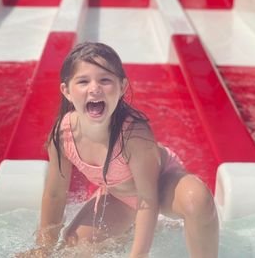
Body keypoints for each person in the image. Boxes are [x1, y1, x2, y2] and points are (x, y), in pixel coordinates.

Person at [19, 41, 219, 258]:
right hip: (120, 195)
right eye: (83, 81)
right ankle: (131, 229)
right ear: (66, 91)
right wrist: (44, 248)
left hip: (161, 186)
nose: (94, 88)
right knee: (73, 247)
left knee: (197, 200)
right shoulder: (63, 135)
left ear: (122, 87)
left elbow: (147, 199)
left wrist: (137, 255)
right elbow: (55, 194)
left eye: (105, 80)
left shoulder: (134, 133)